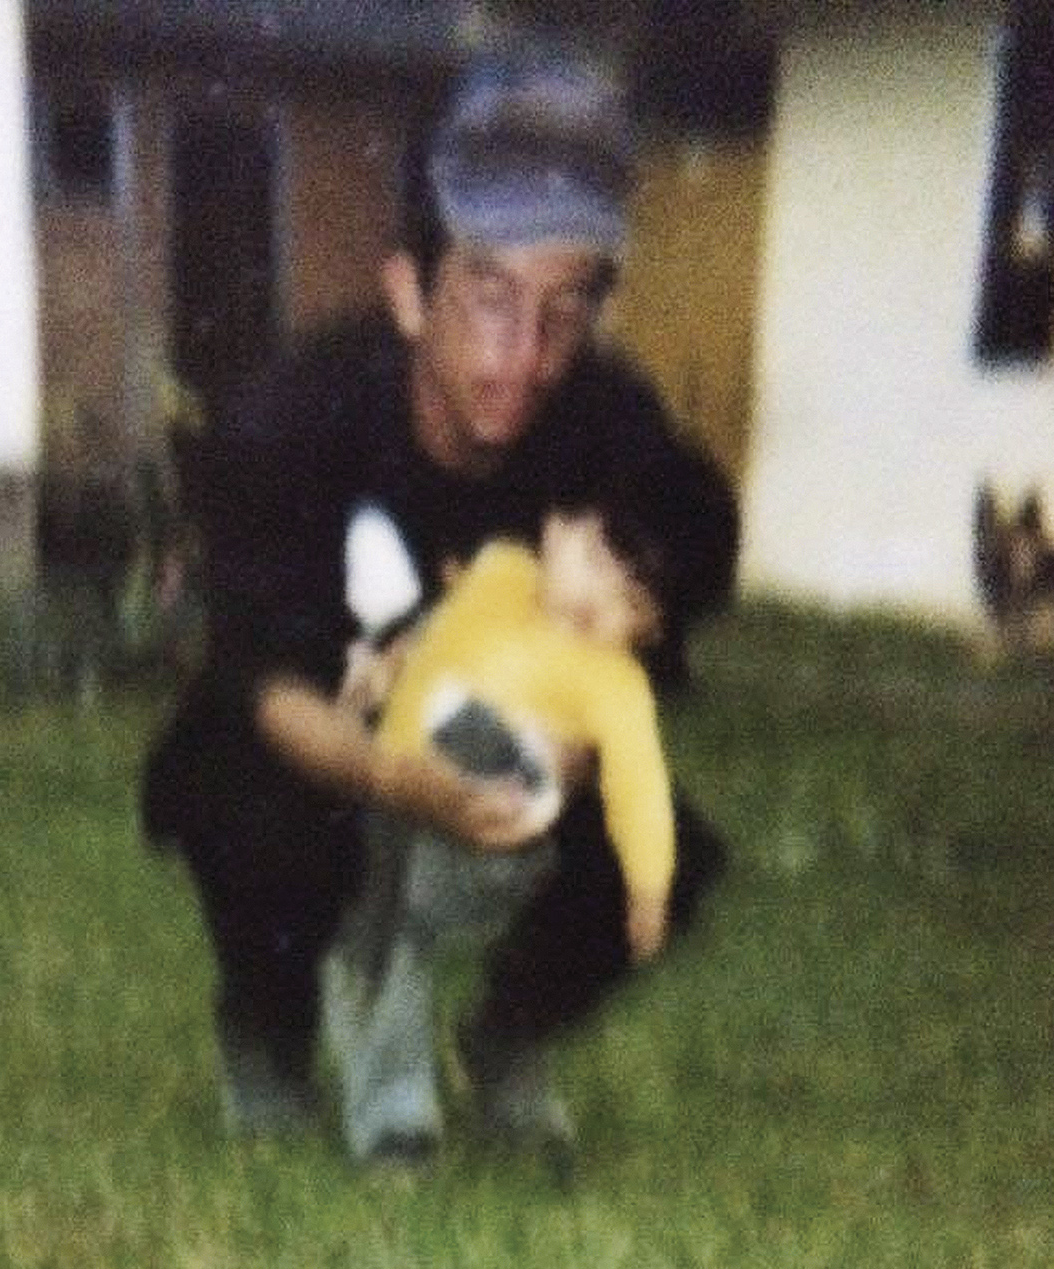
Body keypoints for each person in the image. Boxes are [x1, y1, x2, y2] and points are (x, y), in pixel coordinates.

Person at [141, 51, 737, 1163]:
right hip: (324, 728)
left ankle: (506, 1037)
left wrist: (562, 749)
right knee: (244, 799)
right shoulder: (288, 416)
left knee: (665, 855)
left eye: (563, 312)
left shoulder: (610, 423)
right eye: (487, 296)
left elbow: (684, 557)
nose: (521, 357)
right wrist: (390, 780)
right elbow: (257, 679)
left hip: (498, 729)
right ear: (411, 290)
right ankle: (266, 1033)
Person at [324, 504, 677, 1164]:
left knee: (410, 918)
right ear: (553, 531)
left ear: (649, 631)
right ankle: (395, 1121)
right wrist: (383, 668)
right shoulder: (501, 576)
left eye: (628, 603)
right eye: (596, 563)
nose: (597, 600)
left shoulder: (613, 683)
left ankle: (483, 745)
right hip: (398, 806)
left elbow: (640, 786)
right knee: (379, 945)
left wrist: (648, 888)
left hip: (493, 840)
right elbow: (438, 637)